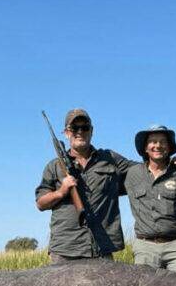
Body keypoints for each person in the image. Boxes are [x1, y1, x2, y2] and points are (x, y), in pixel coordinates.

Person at [35, 109, 134, 263]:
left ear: (91, 131)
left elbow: (141, 171)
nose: (80, 132)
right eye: (75, 128)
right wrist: (61, 192)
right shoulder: (53, 166)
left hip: (102, 247)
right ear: (67, 133)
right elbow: (40, 203)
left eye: (85, 128)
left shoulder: (110, 158)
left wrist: (169, 163)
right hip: (65, 250)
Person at [124, 125, 176, 274]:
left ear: (169, 148)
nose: (157, 145)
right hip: (145, 248)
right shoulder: (132, 174)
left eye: (163, 142)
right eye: (153, 141)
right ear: (145, 148)